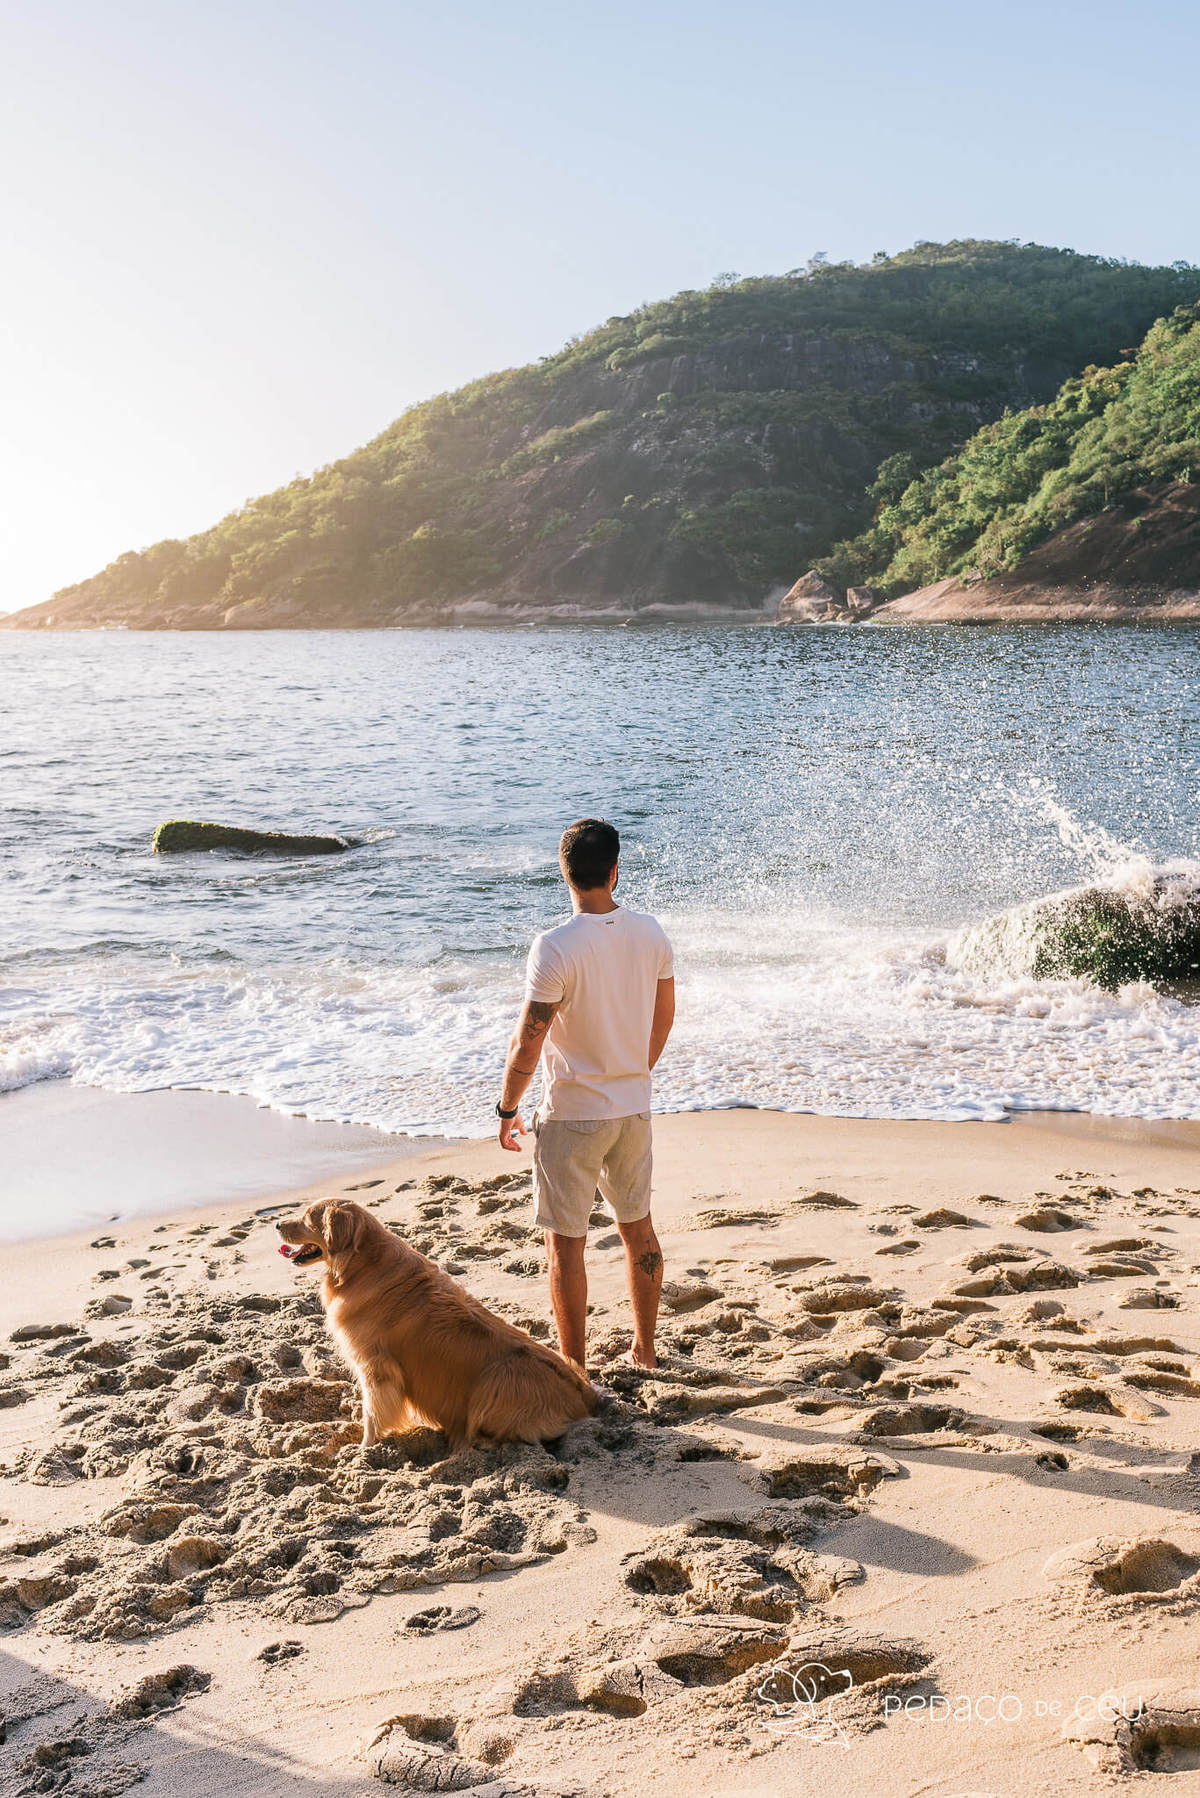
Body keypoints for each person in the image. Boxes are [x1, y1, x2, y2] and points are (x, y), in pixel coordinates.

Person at [496, 818, 675, 1371]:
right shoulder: (651, 933)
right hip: (632, 1109)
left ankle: (575, 1367)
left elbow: (530, 1042)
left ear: (565, 875)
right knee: (637, 1228)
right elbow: (664, 1018)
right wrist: (631, 1072)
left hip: (573, 1114)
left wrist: (507, 1108)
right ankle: (644, 1350)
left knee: (566, 1244)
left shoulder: (554, 947)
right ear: (616, 871)